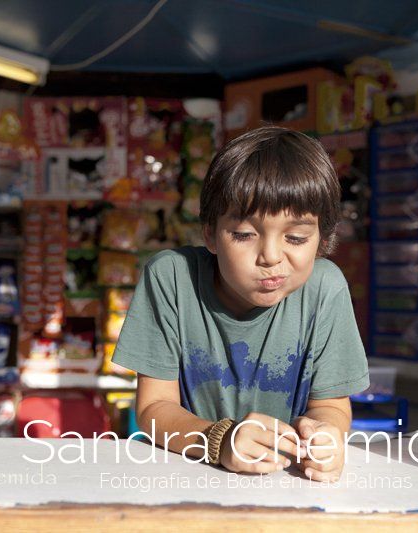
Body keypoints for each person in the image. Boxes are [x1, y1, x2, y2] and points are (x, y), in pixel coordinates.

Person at [111, 126, 369, 481]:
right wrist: (219, 440)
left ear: (322, 240)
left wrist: (325, 436)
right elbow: (154, 408)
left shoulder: (326, 288)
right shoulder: (171, 277)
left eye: (296, 237)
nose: (271, 256)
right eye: (245, 234)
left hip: (289, 484)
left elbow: (331, 405)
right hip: (189, 478)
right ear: (211, 234)